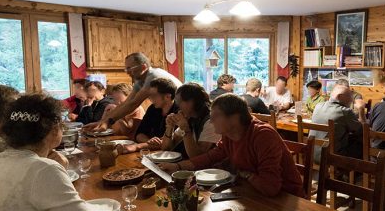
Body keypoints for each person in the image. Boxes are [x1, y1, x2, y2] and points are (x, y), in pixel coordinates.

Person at [159, 94, 303, 197]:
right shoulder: (229, 134)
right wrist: (177, 166)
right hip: (253, 191)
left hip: (286, 198)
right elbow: (211, 156)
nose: (211, 120)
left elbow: (270, 187)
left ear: (234, 117)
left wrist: (244, 174)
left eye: (215, 116)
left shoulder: (263, 135)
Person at [84, 52, 181, 132]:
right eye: (126, 68)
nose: (127, 72)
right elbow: (127, 102)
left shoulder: (153, 76)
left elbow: (134, 103)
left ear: (143, 67)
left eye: (130, 68)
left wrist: (108, 122)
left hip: (179, 108)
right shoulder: (140, 80)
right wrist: (102, 122)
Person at [119, 78, 178, 153]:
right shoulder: (153, 108)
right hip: (154, 152)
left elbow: (167, 143)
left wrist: (137, 147)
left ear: (168, 96)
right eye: (150, 95)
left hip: (173, 154)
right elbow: (139, 134)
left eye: (154, 95)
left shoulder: (179, 112)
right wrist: (149, 141)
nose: (150, 99)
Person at [163, 83, 221, 158]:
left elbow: (197, 156)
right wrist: (170, 127)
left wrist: (185, 128)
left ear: (192, 102)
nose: (178, 106)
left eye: (179, 101)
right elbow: (167, 148)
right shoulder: (190, 117)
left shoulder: (211, 121)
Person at [310, 84, 363, 162]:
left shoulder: (318, 106)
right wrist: (361, 109)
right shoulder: (345, 111)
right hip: (330, 157)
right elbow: (361, 130)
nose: (352, 99)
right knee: (361, 144)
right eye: (349, 96)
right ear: (339, 96)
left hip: (312, 154)